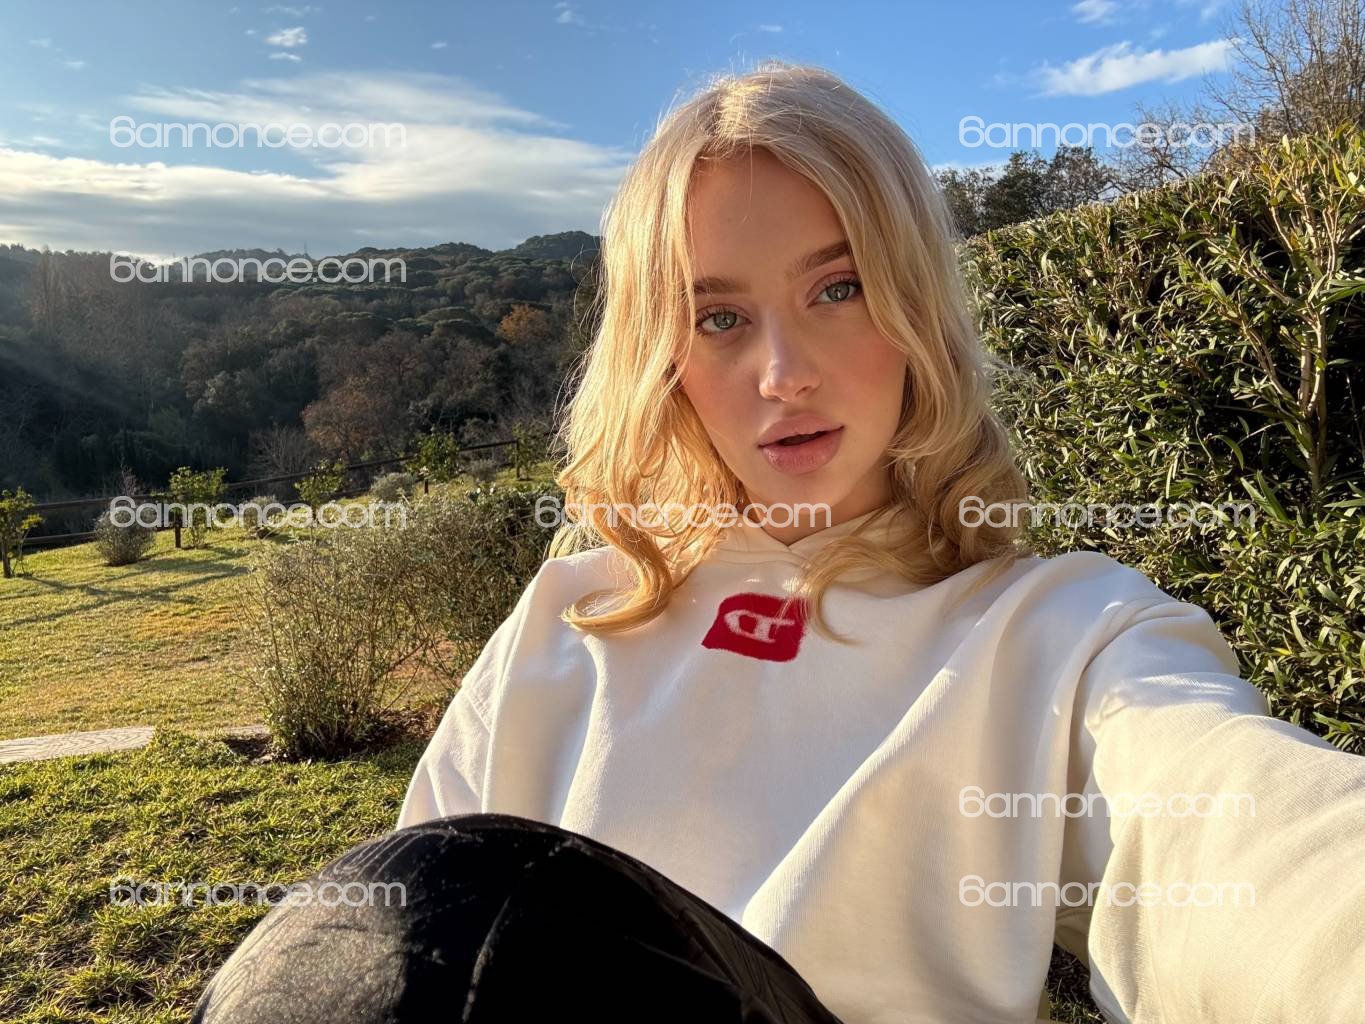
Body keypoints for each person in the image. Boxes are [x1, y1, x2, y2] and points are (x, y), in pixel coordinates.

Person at [196, 61, 1365, 1024]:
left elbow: (1246, 834)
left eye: (838, 288)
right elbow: (397, 947)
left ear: (916, 309)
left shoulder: (1060, 638)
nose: (782, 372)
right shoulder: (564, 619)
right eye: (720, 316)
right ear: (665, 357)